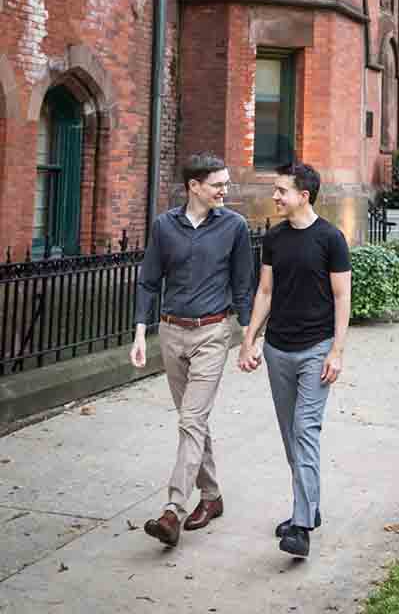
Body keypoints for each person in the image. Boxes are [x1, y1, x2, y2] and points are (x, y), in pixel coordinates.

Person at [131, 152, 254, 548]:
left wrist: (248, 337)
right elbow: (149, 281)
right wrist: (138, 334)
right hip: (170, 333)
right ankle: (213, 496)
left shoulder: (234, 226)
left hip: (212, 333)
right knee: (193, 422)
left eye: (225, 183)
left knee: (189, 421)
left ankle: (172, 511)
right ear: (194, 187)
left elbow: (243, 284)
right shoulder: (164, 227)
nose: (225, 190)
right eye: (218, 184)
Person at [238, 160, 352, 559]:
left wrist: (337, 351)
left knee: (305, 431)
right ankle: (310, 507)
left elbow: (342, 297)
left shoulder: (331, 239)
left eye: (281, 190)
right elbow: (265, 292)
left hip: (316, 351)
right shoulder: (274, 238)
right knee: (291, 436)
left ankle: (301, 526)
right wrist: (249, 338)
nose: (274, 196)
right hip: (277, 350)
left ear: (304, 196)